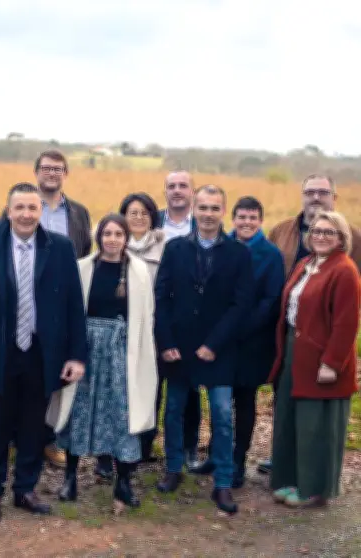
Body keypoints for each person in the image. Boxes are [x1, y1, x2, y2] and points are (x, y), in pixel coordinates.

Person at [0, 182, 87, 522]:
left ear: (40, 211)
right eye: (20, 207)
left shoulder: (59, 248)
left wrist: (76, 356)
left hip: (42, 353)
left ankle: (25, 489)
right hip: (0, 352)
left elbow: (74, 305)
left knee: (34, 425)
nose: (26, 214)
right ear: (8, 211)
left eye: (33, 208)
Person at [154, 185, 254, 514]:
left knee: (222, 415)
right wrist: (166, 342)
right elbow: (161, 297)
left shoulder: (239, 253)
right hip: (179, 348)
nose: (208, 214)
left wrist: (214, 344)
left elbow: (241, 305)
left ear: (223, 212)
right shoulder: (175, 249)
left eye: (214, 208)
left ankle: (222, 482)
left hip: (219, 349)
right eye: (203, 207)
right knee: (174, 410)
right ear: (194, 210)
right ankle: (173, 469)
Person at [260, 174, 361, 475]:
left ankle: (312, 474)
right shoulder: (281, 232)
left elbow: (349, 308)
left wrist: (334, 358)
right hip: (287, 331)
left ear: (334, 197)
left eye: (323, 192)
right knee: (285, 400)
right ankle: (285, 460)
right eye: (310, 191)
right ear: (302, 195)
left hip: (323, 337)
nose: (316, 197)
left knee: (316, 409)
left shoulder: (354, 240)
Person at [57, 214, 158, 511]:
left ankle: (123, 482)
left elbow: (147, 316)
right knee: (79, 410)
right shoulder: (83, 268)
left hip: (122, 352)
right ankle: (70, 477)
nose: (112, 239)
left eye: (118, 234)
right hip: (86, 348)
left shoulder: (138, 271)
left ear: (126, 238)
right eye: (107, 234)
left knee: (122, 414)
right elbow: (70, 312)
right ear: (98, 237)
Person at [189, 197, 284, 488]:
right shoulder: (222, 246)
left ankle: (238, 461)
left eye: (252, 217)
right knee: (218, 400)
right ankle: (215, 455)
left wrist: (239, 328)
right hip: (220, 338)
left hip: (251, 341)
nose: (246, 222)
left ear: (261, 221)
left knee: (243, 401)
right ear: (233, 218)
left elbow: (270, 300)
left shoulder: (271, 255)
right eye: (242, 217)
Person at [156, 171, 202, 471]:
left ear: (192, 192)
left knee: (191, 390)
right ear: (165, 192)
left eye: (183, 186)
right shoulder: (152, 221)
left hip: (189, 320)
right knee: (150, 385)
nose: (177, 191)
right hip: (152, 312)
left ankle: (189, 446)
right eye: (171, 186)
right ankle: (145, 443)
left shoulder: (203, 225)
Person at [118, 193, 167, 463]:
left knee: (149, 387)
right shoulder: (113, 243)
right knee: (117, 388)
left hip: (152, 331)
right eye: (132, 213)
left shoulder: (165, 249)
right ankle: (111, 449)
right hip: (119, 329)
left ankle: (144, 445)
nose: (138, 218)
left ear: (153, 217)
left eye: (144, 213)